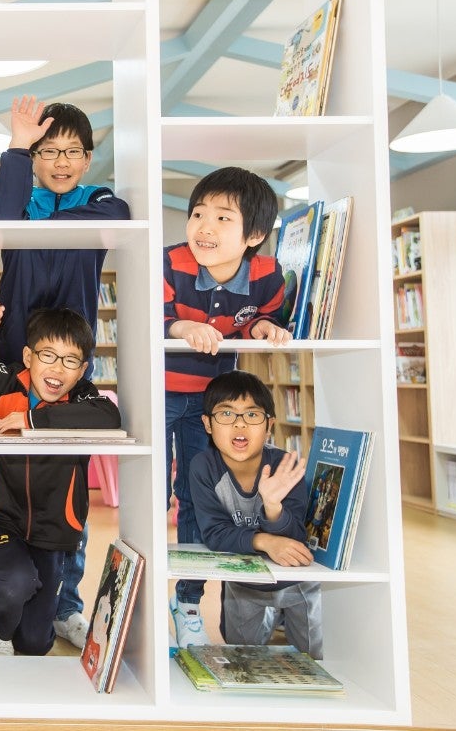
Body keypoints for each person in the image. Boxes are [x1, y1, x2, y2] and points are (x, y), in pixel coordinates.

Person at [0, 96, 131, 652]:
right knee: (2, 491)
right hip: (15, 369)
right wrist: (14, 148)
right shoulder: (19, 200)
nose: (61, 162)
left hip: (71, 377)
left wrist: (35, 221)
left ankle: (66, 606)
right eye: (47, 151)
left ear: (88, 158)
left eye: (72, 152)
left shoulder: (100, 200)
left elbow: (118, 216)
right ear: (32, 156)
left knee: (69, 501)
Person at [0, 303, 122, 656]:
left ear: (83, 369)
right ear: (27, 356)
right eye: (48, 355)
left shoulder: (83, 397)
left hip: (53, 526)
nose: (57, 369)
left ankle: (23, 618)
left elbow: (109, 414)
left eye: (71, 361)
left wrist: (32, 421)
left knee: (36, 643)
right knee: (14, 581)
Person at [163, 166, 289, 645]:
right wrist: (181, 329)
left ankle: (189, 599)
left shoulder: (266, 274)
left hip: (211, 401)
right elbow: (159, 312)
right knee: (154, 488)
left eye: (222, 218)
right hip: (163, 390)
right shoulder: (169, 261)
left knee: (200, 492)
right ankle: (141, 581)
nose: (204, 227)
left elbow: (263, 313)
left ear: (253, 235)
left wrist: (262, 327)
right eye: (197, 214)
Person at [189, 370, 322, 658]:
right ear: (208, 425)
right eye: (226, 415)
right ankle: (273, 619)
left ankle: (283, 617)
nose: (239, 425)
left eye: (252, 415)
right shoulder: (204, 466)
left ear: (269, 425)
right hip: (245, 583)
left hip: (296, 580)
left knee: (313, 655)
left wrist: (273, 507)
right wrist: (265, 541)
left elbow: (298, 537)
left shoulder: (285, 467)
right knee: (242, 654)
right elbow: (214, 532)